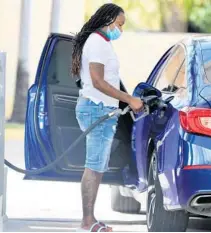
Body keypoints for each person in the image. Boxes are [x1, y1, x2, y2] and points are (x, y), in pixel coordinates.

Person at [71, 3, 144, 232]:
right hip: (97, 108)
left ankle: (91, 218)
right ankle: (87, 222)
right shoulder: (97, 43)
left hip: (99, 108)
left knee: (98, 165)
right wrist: (129, 99)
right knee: (93, 166)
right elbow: (98, 81)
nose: (120, 30)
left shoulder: (100, 43)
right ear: (108, 20)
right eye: (119, 24)